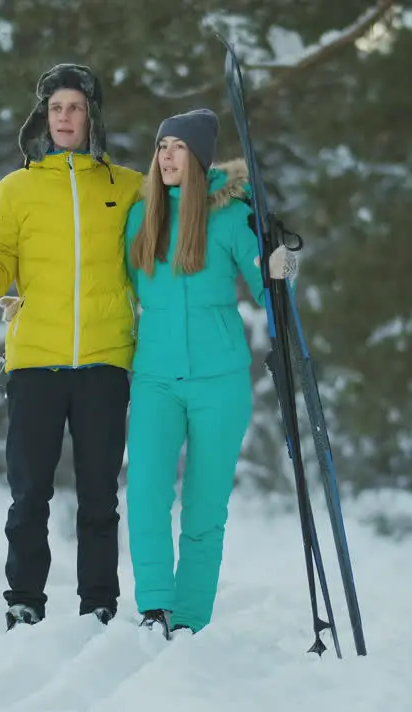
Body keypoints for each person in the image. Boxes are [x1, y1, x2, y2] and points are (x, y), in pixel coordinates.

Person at [0, 63, 144, 629]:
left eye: (75, 107)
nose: (64, 117)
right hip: (35, 363)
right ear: (43, 117)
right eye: (56, 108)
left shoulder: (128, 187)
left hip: (106, 360)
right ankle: (24, 598)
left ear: (92, 116)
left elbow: (173, 225)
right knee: (29, 493)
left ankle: (98, 602)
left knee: (100, 496)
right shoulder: (17, 188)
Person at [122, 108, 298, 638]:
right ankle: (156, 606)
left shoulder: (229, 216)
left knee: (204, 506)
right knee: (146, 493)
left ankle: (191, 618)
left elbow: (270, 287)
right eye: (161, 147)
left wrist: (279, 258)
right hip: (154, 378)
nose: (166, 156)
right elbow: (116, 287)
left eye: (177, 147)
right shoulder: (140, 217)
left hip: (220, 381)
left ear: (198, 158)